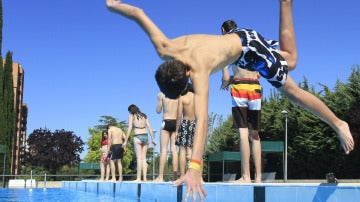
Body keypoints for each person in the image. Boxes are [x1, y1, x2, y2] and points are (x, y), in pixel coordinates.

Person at [106, 0, 354, 200]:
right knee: (290, 60)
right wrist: (113, 5)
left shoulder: (199, 68)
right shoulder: (163, 47)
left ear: (188, 75)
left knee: (292, 89)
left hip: (248, 49)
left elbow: (202, 120)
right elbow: (138, 12)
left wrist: (194, 168)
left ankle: (338, 123)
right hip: (240, 44)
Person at [221, 20, 263, 183]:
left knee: (243, 133)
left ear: (223, 30)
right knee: (255, 135)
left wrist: (225, 83)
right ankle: (258, 177)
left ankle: (246, 176)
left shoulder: (227, 44)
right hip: (255, 87)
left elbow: (226, 78)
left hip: (239, 88)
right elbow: (259, 70)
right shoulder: (249, 40)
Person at [123, 104, 156, 182]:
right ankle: (145, 178)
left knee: (139, 158)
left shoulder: (132, 116)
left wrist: (125, 141)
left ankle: (138, 178)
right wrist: (153, 139)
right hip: (146, 136)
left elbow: (130, 128)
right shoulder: (144, 115)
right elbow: (149, 127)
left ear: (131, 110)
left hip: (137, 136)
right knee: (144, 159)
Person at [155, 92, 179, 182]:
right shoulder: (179, 94)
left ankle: (160, 177)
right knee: (174, 150)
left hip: (166, 121)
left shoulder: (163, 94)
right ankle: (175, 177)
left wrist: (159, 100)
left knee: (163, 150)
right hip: (176, 122)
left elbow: (158, 111)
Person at [175, 83, 196, 179]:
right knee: (196, 150)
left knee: (182, 149)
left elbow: (179, 116)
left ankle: (182, 175)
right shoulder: (197, 98)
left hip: (185, 123)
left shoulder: (182, 98)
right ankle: (197, 176)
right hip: (196, 123)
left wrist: (176, 131)